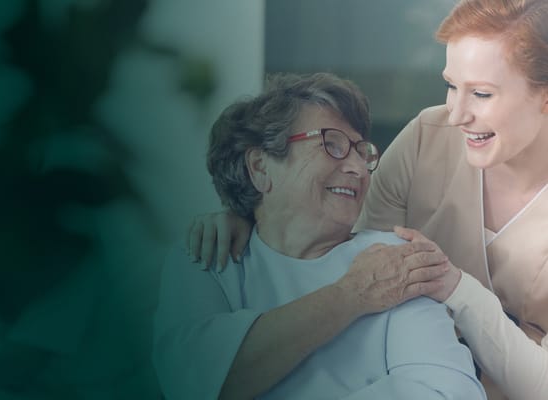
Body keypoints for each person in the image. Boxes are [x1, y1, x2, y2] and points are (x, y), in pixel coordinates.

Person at [186, 0, 548, 398]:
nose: (456, 113)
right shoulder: (429, 136)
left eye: (481, 93)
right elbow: (346, 235)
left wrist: (456, 288)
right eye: (450, 85)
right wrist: (251, 208)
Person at [153, 72, 484, 400]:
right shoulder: (208, 256)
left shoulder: (395, 261)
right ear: (261, 168)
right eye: (333, 145)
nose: (357, 167)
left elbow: (450, 393)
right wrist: (353, 293)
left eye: (360, 150)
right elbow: (195, 382)